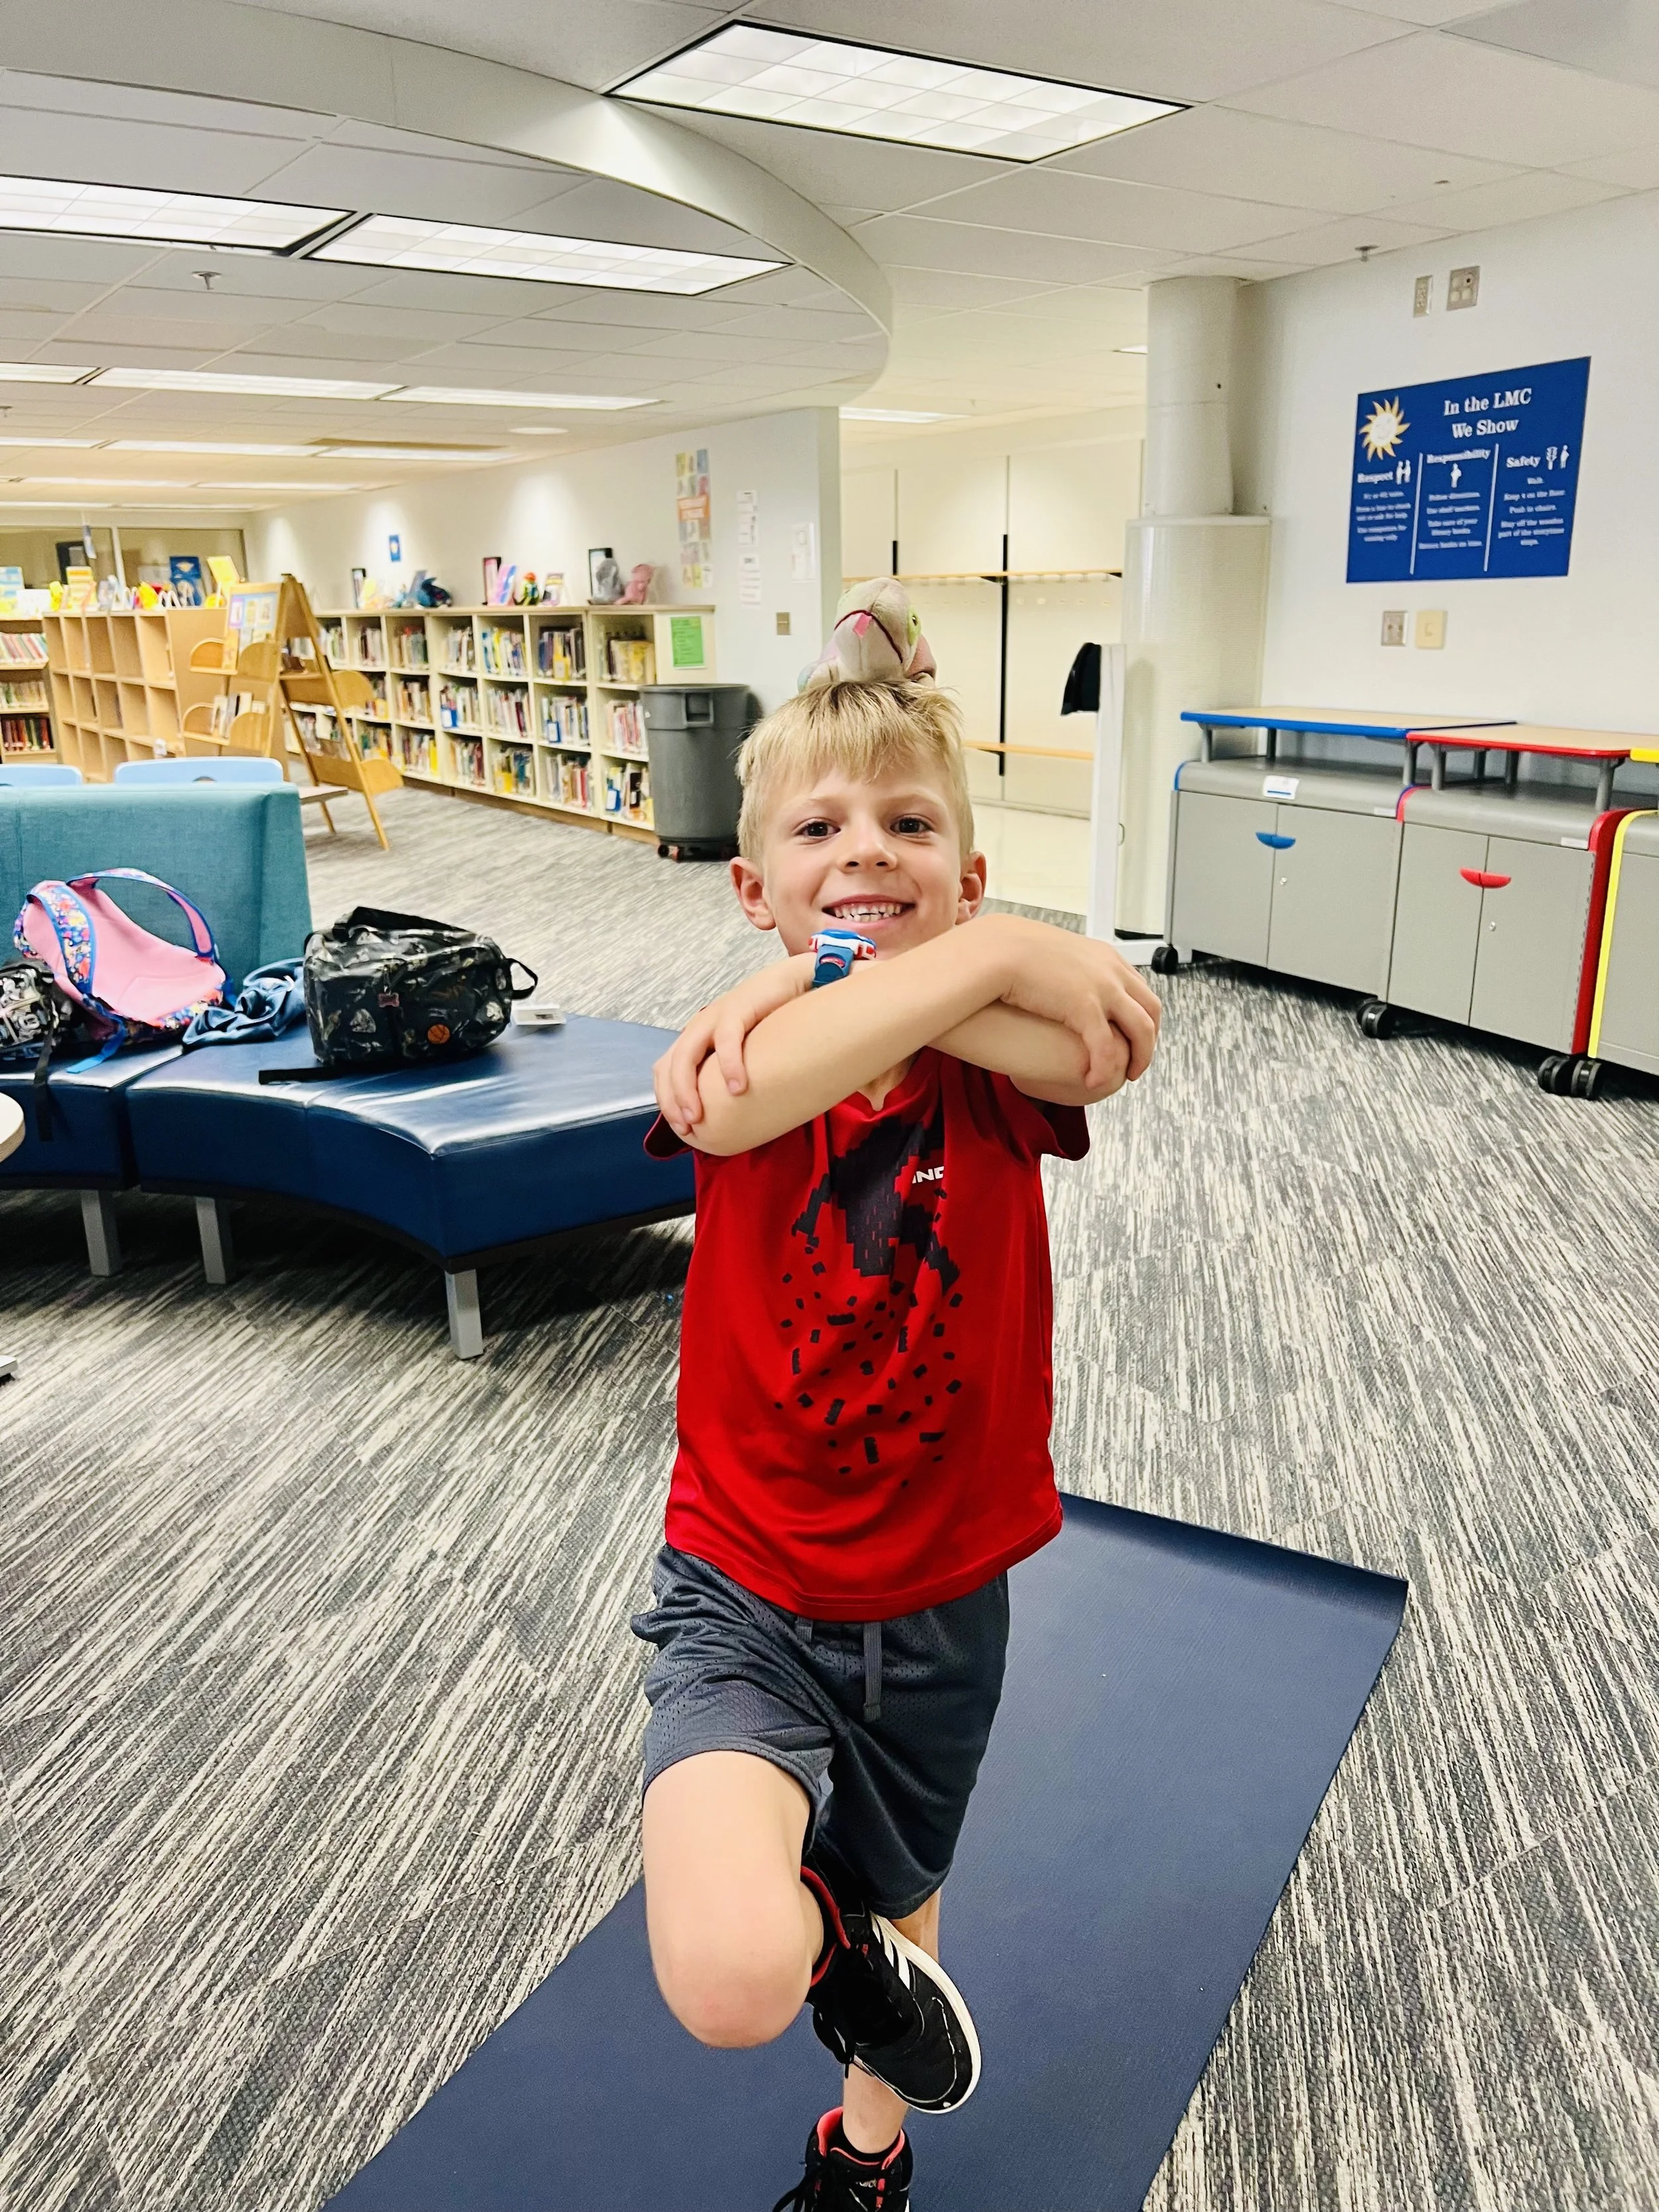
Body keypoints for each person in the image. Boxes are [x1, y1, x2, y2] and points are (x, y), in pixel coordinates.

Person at [636, 660, 1161, 2211]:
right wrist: (981, 947)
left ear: (967, 874)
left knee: (903, 1925)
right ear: (751, 887)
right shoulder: (740, 1061)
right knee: (735, 1974)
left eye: (909, 822)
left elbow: (1111, 1037)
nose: (865, 849)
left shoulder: (988, 1070)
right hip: (747, 1579)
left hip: (940, 1596)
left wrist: (980, 956)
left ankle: (864, 2156)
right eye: (820, 826)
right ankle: (816, 1917)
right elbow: (734, 1109)